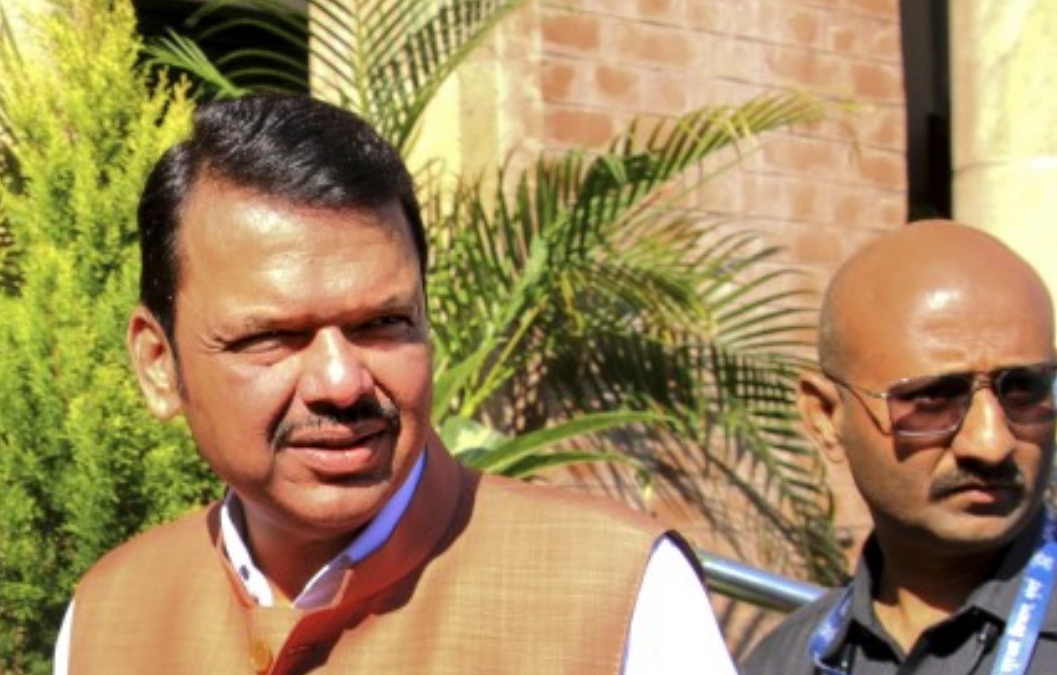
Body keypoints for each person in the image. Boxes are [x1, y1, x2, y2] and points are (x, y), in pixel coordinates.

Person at [52, 94, 735, 674]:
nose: (341, 381)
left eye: (382, 323)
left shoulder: (617, 596)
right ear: (159, 363)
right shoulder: (109, 621)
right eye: (273, 337)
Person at [741, 220, 1057, 674]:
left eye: (1024, 388)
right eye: (932, 398)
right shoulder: (784, 663)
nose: (991, 443)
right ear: (827, 417)